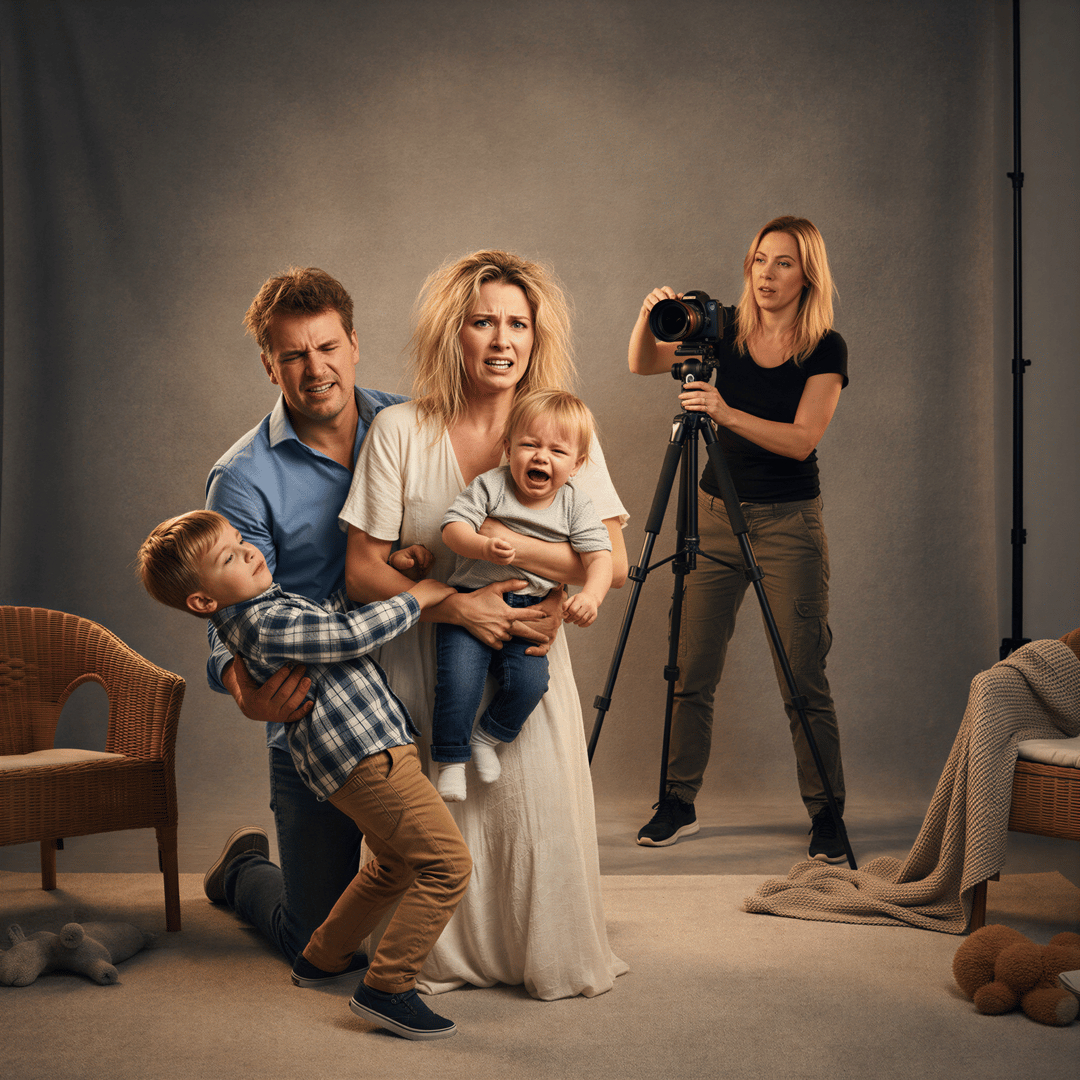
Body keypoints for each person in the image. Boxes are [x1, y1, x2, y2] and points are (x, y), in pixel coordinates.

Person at [339, 249, 630, 1000]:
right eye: (482, 323)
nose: (502, 340)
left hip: (529, 657)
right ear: (453, 335)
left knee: (530, 817)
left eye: (517, 324)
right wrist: (458, 601)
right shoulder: (401, 430)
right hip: (423, 661)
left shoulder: (562, 428)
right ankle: (425, 958)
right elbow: (363, 570)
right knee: (441, 822)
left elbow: (612, 562)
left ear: (536, 338)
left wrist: (529, 566)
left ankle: (536, 952)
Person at [137, 509, 471, 1040]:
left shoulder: (264, 609)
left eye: (242, 541)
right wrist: (419, 594)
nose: (249, 552)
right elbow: (344, 635)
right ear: (203, 601)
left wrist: (389, 564)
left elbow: (325, 617)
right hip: (368, 755)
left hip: (359, 755)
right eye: (229, 557)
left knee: (392, 863)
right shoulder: (260, 623)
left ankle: (322, 958)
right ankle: (388, 987)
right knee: (447, 864)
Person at [202, 266, 440, 965]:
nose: (316, 369)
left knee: (438, 886)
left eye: (328, 347)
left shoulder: (412, 427)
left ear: (354, 344)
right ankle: (242, 872)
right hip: (318, 719)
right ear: (269, 364)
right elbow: (222, 608)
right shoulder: (242, 476)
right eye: (295, 355)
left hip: (418, 685)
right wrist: (242, 687)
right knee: (317, 939)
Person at [628, 216, 850, 861]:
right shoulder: (726, 331)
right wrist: (649, 317)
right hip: (715, 514)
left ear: (807, 272)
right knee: (689, 668)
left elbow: (803, 438)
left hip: (788, 526)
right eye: (758, 259)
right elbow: (642, 363)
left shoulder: (825, 348)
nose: (766, 274)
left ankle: (827, 813)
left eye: (782, 263)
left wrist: (723, 412)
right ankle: (677, 800)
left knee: (802, 675)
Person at [432, 388, 613, 802]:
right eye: (529, 445)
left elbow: (600, 559)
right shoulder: (491, 486)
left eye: (557, 451)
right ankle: (451, 760)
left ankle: (487, 737)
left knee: (531, 683)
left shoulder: (574, 505)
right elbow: (453, 528)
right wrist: (481, 546)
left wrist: (592, 597)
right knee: (459, 680)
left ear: (577, 464)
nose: (540, 457)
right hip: (471, 599)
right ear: (508, 447)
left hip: (532, 610)